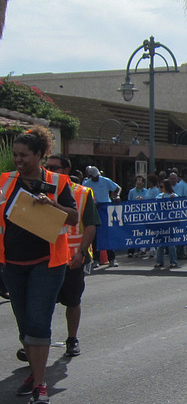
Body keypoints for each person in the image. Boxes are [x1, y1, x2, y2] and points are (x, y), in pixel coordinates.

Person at [0, 127, 78, 403]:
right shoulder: (4, 182)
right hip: (12, 263)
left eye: (24, 155)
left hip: (47, 262)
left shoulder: (57, 182)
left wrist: (51, 205)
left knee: (38, 319)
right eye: (15, 155)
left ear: (39, 155)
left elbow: (73, 217)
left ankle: (40, 384)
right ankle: (34, 371)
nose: (18, 160)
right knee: (24, 324)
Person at [44, 154, 100, 358]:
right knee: (42, 304)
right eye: (47, 166)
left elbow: (90, 226)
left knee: (72, 301)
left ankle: (72, 339)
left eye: (54, 167)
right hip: (45, 259)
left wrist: (81, 252)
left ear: (66, 171)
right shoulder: (40, 190)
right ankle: (37, 343)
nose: (48, 170)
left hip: (72, 259)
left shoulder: (83, 193)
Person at [83, 165, 121, 268]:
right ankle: (96, 259)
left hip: (105, 209)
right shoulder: (86, 184)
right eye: (94, 177)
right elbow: (84, 196)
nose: (96, 178)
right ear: (90, 176)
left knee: (107, 234)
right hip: (94, 209)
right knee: (95, 235)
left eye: (97, 176)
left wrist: (116, 196)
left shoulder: (105, 180)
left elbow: (117, 188)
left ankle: (112, 259)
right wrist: (92, 203)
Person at [155, 180, 179, 269]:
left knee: (171, 243)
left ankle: (173, 261)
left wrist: (173, 201)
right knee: (160, 243)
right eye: (160, 187)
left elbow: (179, 207)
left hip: (170, 222)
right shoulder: (159, 196)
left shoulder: (174, 196)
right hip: (161, 222)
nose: (160, 189)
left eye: (162, 187)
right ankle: (159, 261)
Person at [127, 175, 147, 257]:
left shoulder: (146, 191)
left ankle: (142, 249)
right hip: (134, 215)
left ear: (143, 183)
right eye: (137, 181)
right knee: (132, 232)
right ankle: (131, 251)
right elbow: (128, 202)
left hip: (143, 214)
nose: (139, 183)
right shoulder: (131, 192)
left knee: (142, 232)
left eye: (140, 181)